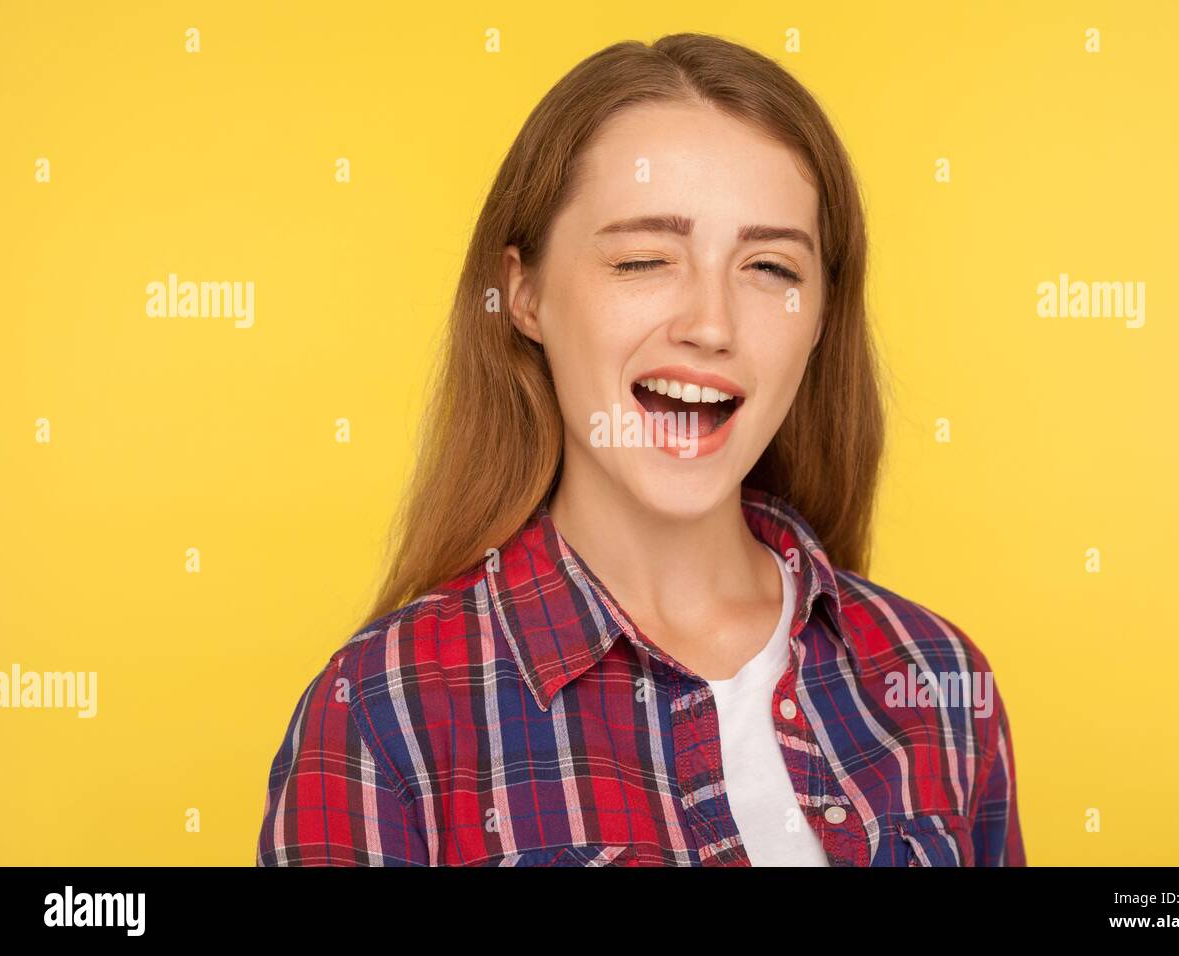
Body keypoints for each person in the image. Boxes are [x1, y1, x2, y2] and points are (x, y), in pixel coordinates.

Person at [256, 32, 1025, 867]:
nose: (711, 324)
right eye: (644, 259)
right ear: (524, 294)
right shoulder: (380, 717)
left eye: (769, 267)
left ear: (821, 320)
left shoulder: (940, 682)